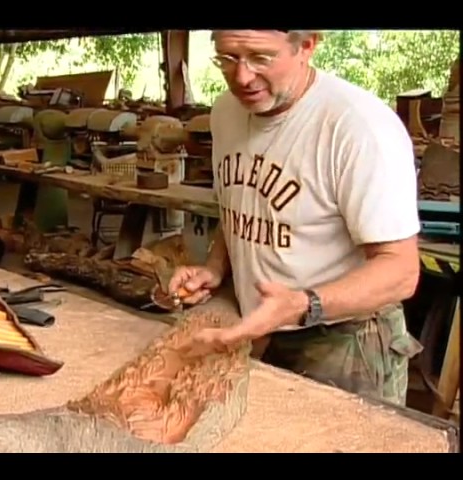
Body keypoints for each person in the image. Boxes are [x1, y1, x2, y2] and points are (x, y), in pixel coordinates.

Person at [170, 30, 423, 406]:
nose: (241, 77)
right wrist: (216, 266)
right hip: (259, 328)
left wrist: (303, 305)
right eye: (227, 58)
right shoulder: (226, 111)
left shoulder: (359, 128)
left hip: (345, 341)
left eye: (261, 58)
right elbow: (241, 199)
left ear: (307, 45)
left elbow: (401, 272)